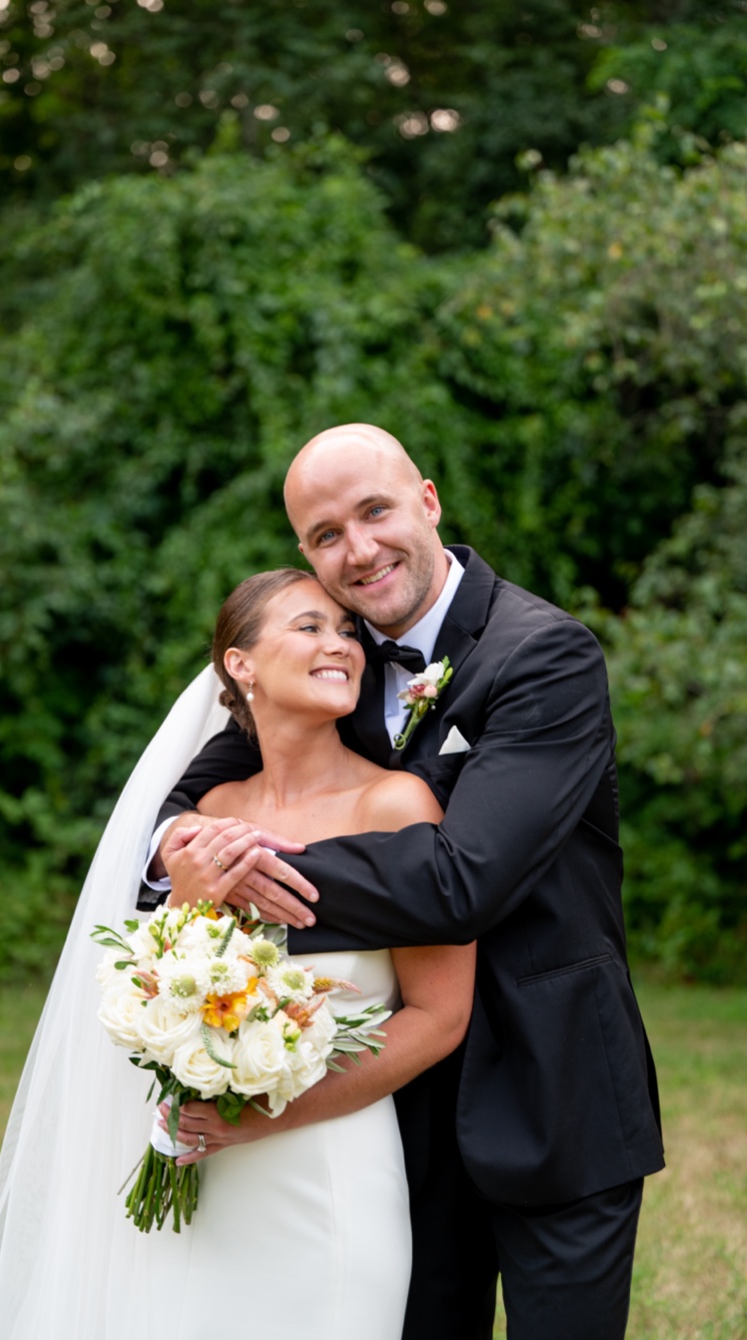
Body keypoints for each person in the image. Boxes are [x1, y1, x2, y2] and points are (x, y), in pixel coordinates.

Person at [147, 425, 663, 1339]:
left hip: (556, 1090)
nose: (360, 549)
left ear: (427, 500)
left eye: (375, 511)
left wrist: (246, 871)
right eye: (326, 534)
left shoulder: (545, 656)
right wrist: (176, 858)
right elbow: (193, 800)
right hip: (396, 1115)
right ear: (306, 551)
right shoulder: (331, 669)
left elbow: (465, 882)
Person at [0, 568, 473, 1339]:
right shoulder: (207, 818)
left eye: (346, 631)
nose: (340, 644)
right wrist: (186, 900)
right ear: (240, 665)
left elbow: (440, 1015)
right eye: (309, 627)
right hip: (200, 1157)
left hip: (328, 1166)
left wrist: (270, 1115)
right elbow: (147, 984)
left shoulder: (396, 805)